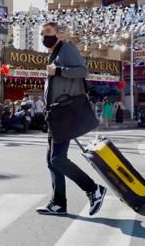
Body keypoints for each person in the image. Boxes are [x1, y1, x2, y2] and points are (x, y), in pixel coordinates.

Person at [36, 21, 107, 216]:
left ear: (58, 34)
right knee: (51, 161)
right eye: (42, 33)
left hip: (65, 113)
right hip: (55, 115)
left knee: (58, 159)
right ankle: (58, 203)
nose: (44, 36)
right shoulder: (54, 54)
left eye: (48, 32)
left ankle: (93, 189)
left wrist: (58, 71)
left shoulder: (66, 49)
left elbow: (83, 71)